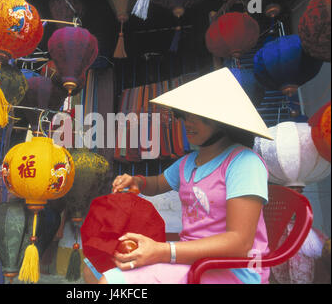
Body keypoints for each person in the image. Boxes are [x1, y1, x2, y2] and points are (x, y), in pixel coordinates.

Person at [83, 68, 274, 284]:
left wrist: (163, 251)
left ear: (223, 121)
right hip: (189, 258)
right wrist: (136, 181)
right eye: (184, 116)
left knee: (110, 282)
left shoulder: (243, 163)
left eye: (199, 118)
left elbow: (239, 243)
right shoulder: (189, 162)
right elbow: (156, 184)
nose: (188, 123)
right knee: (93, 266)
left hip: (233, 269)